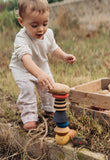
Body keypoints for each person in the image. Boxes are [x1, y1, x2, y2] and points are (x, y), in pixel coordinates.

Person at [9, 0, 76, 130]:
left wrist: (64, 56)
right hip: (22, 70)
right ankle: (29, 117)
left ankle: (49, 109)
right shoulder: (21, 38)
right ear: (21, 22)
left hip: (42, 66)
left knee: (49, 87)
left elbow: (53, 48)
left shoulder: (48, 33)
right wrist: (39, 74)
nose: (41, 29)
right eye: (34, 25)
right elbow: (26, 60)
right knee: (27, 89)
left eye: (45, 24)